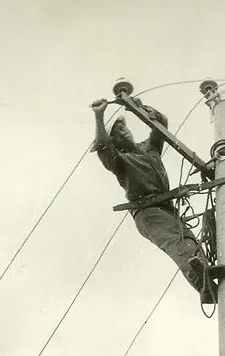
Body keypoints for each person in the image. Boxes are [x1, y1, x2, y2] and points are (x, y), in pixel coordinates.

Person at [91, 98, 215, 295]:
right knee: (177, 242)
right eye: (117, 131)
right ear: (115, 141)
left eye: (124, 127)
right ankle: (201, 280)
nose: (124, 131)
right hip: (147, 212)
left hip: (167, 208)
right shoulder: (119, 160)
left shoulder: (148, 148)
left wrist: (142, 109)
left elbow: (161, 126)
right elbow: (102, 146)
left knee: (189, 239)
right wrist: (99, 116)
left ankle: (206, 283)